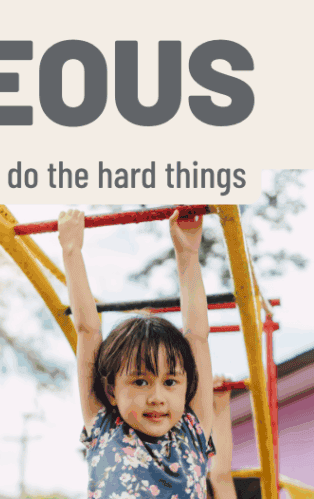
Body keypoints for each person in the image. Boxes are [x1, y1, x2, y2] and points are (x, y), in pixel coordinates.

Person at [60, 209, 216, 499]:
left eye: (170, 382)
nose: (157, 397)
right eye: (140, 382)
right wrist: (71, 250)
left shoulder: (193, 431)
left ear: (185, 387)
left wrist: (188, 254)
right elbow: (87, 331)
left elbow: (197, 335)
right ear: (111, 391)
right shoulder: (105, 427)